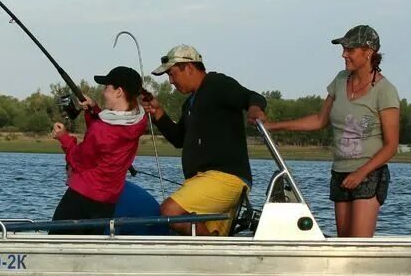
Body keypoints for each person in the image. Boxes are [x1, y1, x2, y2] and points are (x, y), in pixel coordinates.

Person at [265, 25, 399, 238]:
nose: (343, 54)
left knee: (357, 249)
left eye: (350, 49)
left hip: (368, 175)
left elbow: (392, 145)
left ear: (368, 52)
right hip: (340, 173)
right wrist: (273, 126)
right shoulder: (340, 80)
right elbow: (319, 120)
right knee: (343, 245)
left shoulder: (385, 91)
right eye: (344, 49)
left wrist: (360, 173)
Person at [141, 45, 267, 235]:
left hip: (224, 178)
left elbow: (252, 97)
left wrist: (255, 108)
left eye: (172, 74)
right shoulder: (189, 103)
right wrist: (158, 112)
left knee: (171, 211)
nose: (171, 81)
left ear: (189, 67)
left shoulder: (217, 84)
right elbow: (178, 139)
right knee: (212, 237)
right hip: (203, 181)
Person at [50, 66, 150, 232]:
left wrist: (64, 138)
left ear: (118, 92)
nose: (103, 92)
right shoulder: (139, 121)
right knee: (89, 249)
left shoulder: (101, 130)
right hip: (107, 202)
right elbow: (109, 133)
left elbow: (78, 161)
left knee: (55, 242)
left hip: (82, 197)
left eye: (107, 88)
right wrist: (93, 110)